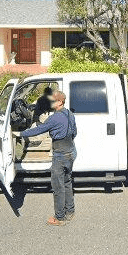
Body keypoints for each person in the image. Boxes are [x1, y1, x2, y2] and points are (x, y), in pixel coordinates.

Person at [20, 90, 77, 226]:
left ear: (60, 102)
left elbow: (39, 130)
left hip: (60, 154)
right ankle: (70, 211)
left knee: (58, 187)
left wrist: (21, 133)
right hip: (71, 151)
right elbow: (74, 132)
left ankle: (60, 218)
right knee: (67, 181)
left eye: (53, 100)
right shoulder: (70, 114)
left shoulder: (55, 118)